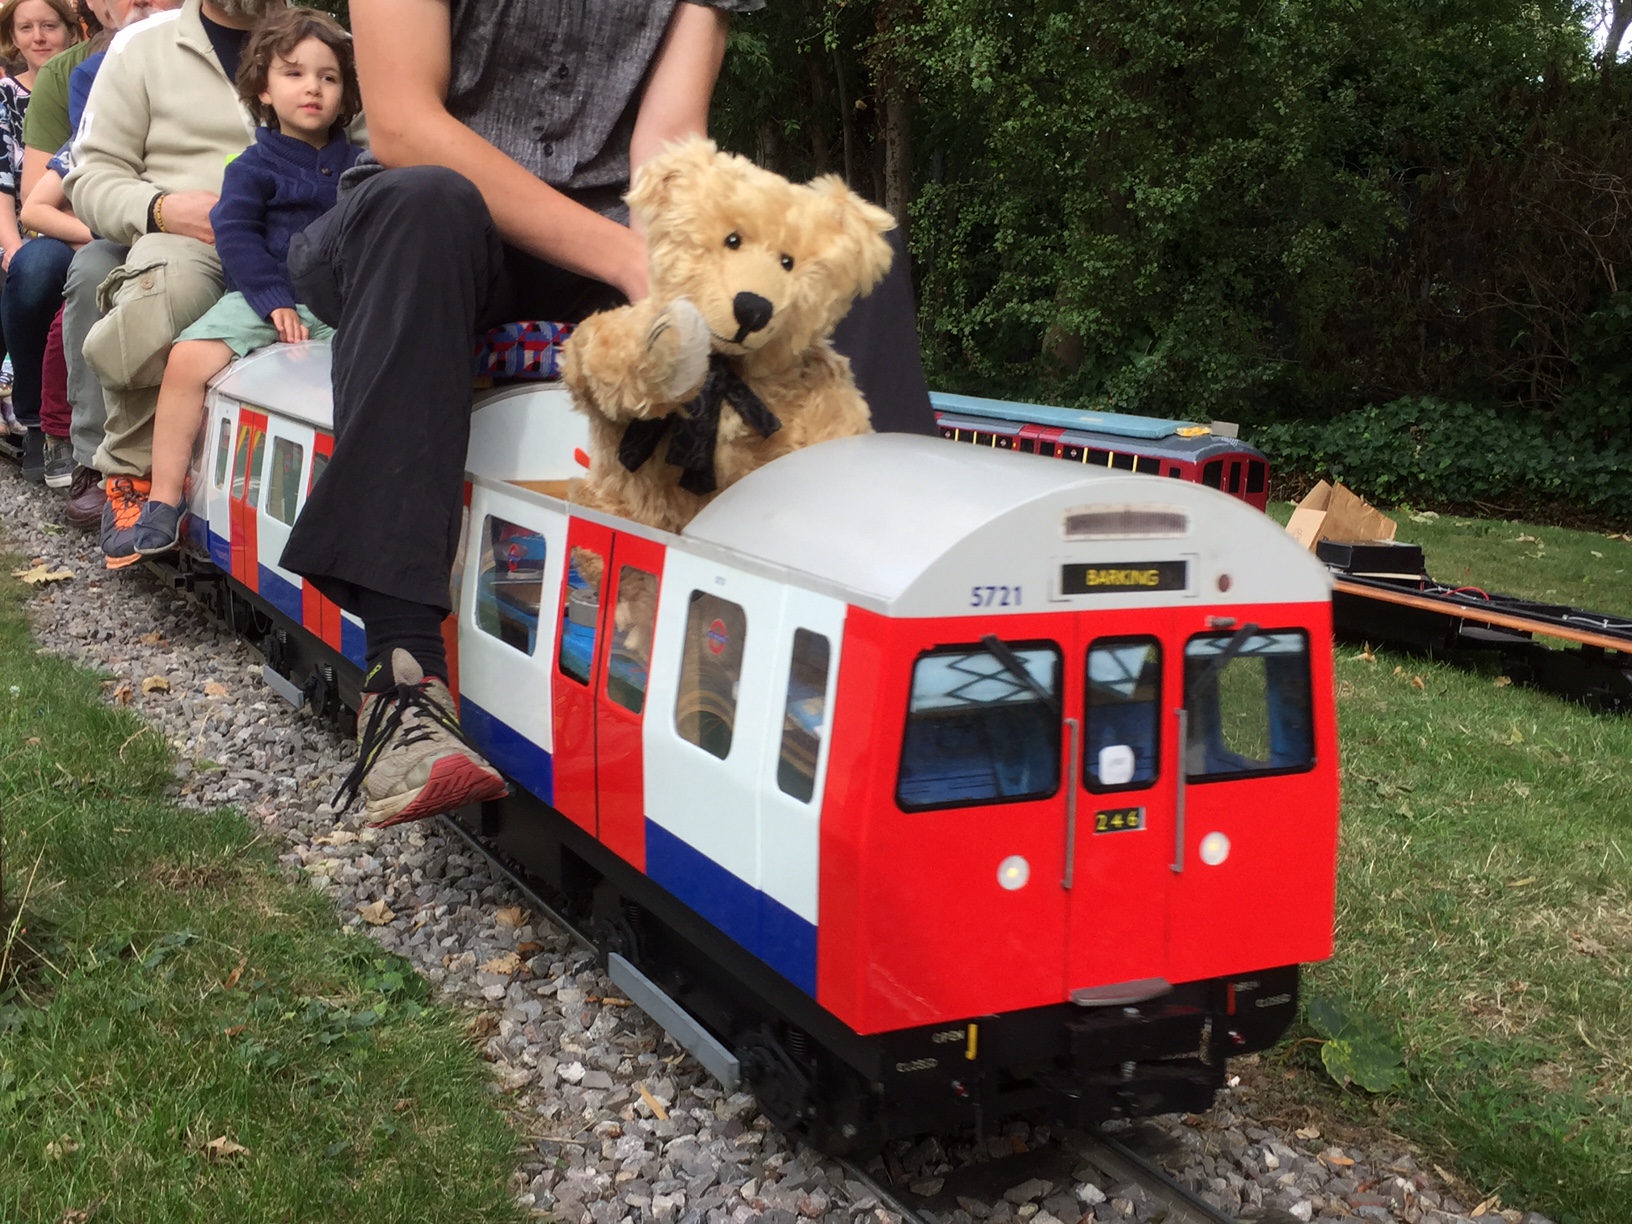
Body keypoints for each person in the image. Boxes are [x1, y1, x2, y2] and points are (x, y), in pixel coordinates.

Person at [280, 0, 762, 828]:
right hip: (415, 222)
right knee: (425, 204)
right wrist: (625, 261)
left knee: (810, 256)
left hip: (594, 238)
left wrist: (684, 281)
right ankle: (401, 685)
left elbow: (666, 145)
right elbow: (402, 125)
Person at [117, 6, 360, 562]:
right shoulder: (252, 167)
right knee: (187, 360)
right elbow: (237, 235)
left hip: (341, 305)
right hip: (260, 296)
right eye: (295, 73)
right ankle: (163, 498)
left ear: (346, 93)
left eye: (329, 76)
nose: (313, 88)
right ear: (264, 89)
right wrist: (273, 300)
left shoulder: (362, 167)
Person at [61, 0, 281, 538]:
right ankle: (133, 473)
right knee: (167, 288)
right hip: (186, 236)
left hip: (301, 238)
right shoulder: (140, 47)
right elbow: (89, 178)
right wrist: (161, 208)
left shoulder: (326, 41)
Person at [0, 0, 78, 479]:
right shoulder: (6, 98)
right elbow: (3, 186)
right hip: (27, 226)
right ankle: (32, 419)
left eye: (49, 25)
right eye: (26, 28)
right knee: (31, 273)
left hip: (85, 220)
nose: (39, 37)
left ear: (71, 29)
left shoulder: (89, 79)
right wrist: (12, 247)